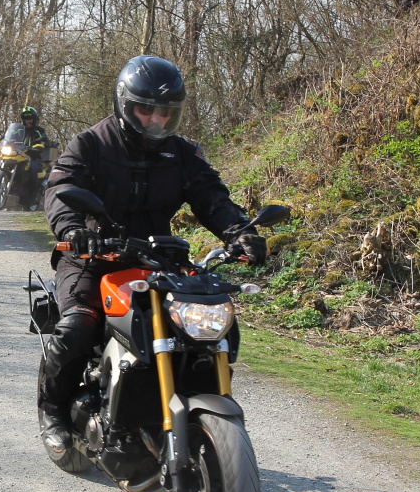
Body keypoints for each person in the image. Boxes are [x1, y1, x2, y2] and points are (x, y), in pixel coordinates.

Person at [38, 55, 267, 451]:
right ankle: (53, 410)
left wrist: (240, 232)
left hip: (159, 260)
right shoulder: (91, 143)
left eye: (166, 112)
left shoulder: (183, 154)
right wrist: (74, 230)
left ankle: (193, 410)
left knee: (209, 326)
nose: (157, 120)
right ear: (125, 105)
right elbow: (61, 188)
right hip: (94, 257)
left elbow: (212, 197)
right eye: (147, 110)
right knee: (77, 326)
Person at [17, 106, 52, 204]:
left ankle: (33, 194)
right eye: (26, 118)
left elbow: (45, 141)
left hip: (33, 157)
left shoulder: (39, 130)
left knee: (33, 168)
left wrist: (42, 144)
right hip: (18, 156)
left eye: (30, 118)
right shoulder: (19, 130)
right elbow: (9, 138)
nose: (28, 121)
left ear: (35, 119)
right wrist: (1, 140)